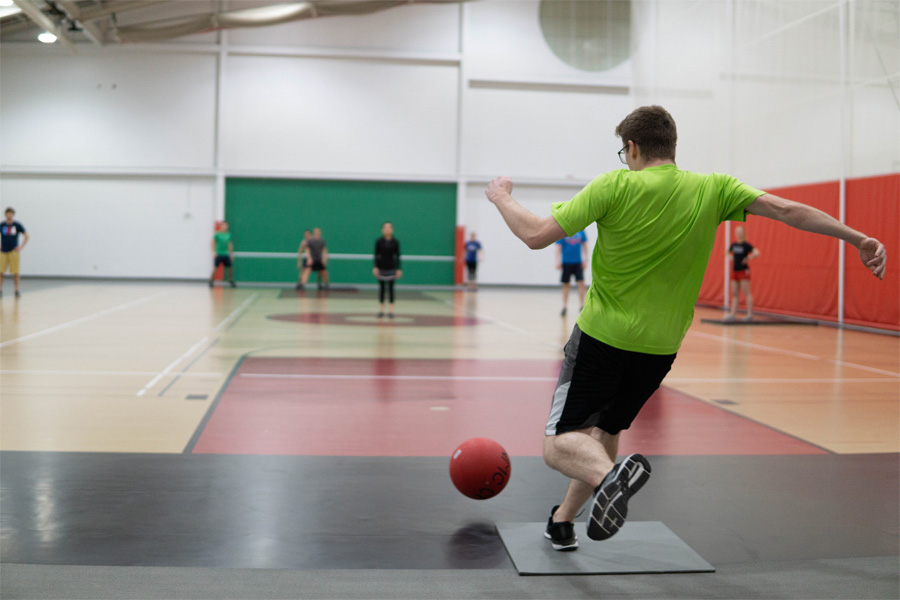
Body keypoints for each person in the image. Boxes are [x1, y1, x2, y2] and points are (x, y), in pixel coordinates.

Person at [484, 105, 885, 552]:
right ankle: (563, 521)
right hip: (660, 348)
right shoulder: (713, 188)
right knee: (608, 430)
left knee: (560, 445)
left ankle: (609, 477)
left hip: (603, 337)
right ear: (671, 146)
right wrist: (857, 238)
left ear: (632, 148)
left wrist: (501, 196)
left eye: (624, 151)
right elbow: (786, 209)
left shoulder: (614, 184)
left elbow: (537, 234)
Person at [726, 225, 761, 321]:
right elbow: (728, 252)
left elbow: (757, 252)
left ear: (743, 233)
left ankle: (749, 314)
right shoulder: (733, 245)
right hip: (735, 271)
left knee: (746, 292)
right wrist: (730, 256)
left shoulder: (746, 245)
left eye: (740, 232)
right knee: (734, 293)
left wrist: (749, 258)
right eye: (737, 232)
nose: (739, 234)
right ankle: (733, 314)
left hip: (743, 271)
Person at [556, 231, 588, 316]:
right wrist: (557, 260)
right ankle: (564, 306)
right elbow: (558, 246)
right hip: (566, 262)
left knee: (581, 283)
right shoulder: (563, 231)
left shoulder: (581, 231)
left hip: (578, 262)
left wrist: (586, 259)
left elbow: (585, 245)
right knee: (566, 284)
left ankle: (582, 305)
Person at [374, 222, 402, 318]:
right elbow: (376, 255)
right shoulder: (379, 241)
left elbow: (397, 256)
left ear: (392, 230)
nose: (387, 229)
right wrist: (375, 267)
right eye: (385, 228)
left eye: (389, 227)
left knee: (390, 289)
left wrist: (398, 269)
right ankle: (381, 310)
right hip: (382, 267)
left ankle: (390, 311)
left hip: (391, 268)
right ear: (382, 229)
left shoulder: (395, 242)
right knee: (382, 289)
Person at [0, 207, 29, 298]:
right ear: (5, 214)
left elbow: (26, 235)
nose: (9, 215)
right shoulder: (2, 225)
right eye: (8, 213)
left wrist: (21, 246)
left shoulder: (17, 225)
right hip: (3, 251)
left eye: (11, 213)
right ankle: (0, 289)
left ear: (13, 214)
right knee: (1, 272)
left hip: (13, 251)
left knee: (15, 272)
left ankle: (16, 290)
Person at [209, 222, 235, 288]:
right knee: (215, 268)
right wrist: (214, 251)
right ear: (221, 226)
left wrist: (231, 254)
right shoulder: (217, 234)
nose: (225, 227)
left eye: (226, 225)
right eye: (224, 225)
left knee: (230, 267)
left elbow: (230, 244)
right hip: (219, 254)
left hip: (225, 254)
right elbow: (212, 243)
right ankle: (211, 281)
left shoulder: (228, 234)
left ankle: (231, 280)